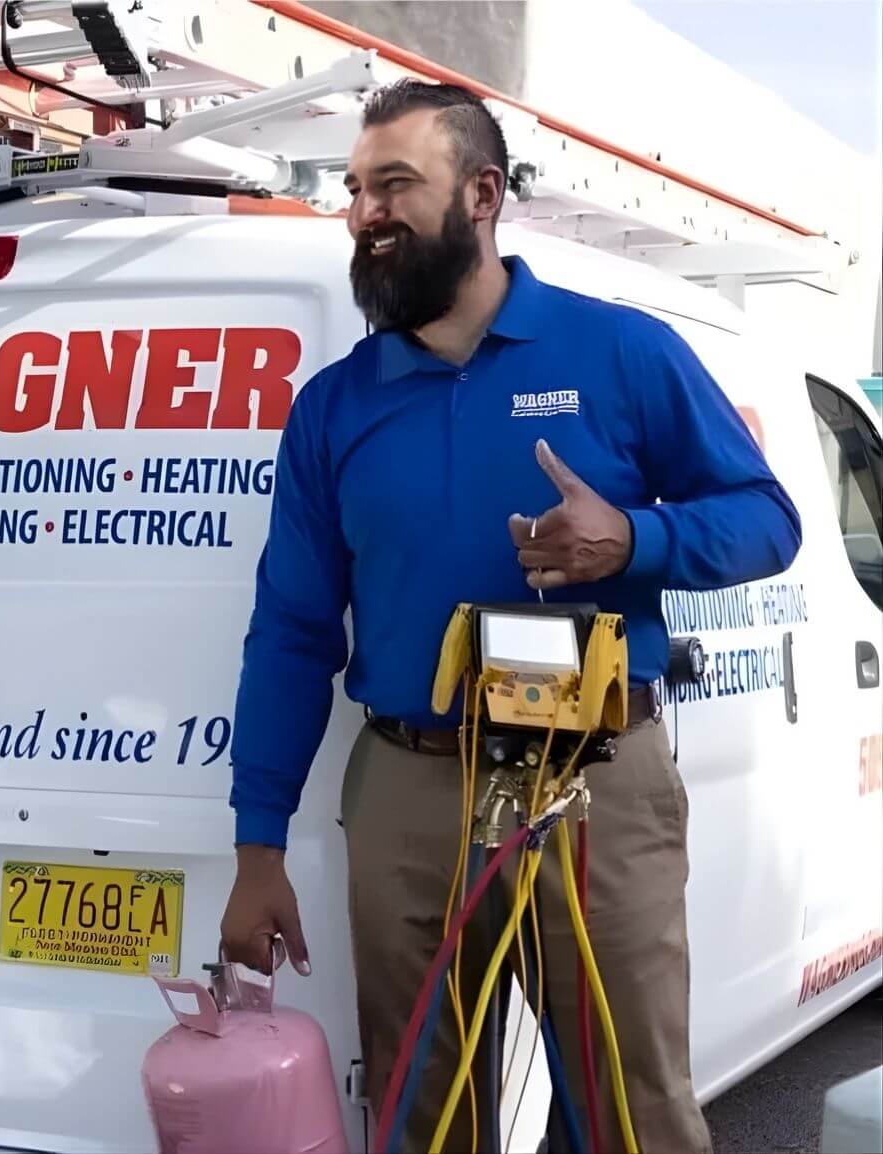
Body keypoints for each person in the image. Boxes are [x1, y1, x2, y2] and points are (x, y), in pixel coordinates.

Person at [218, 77, 801, 1154]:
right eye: (355, 189)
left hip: (592, 779)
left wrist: (635, 540)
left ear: (484, 194)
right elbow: (293, 631)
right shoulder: (337, 405)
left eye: (396, 184)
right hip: (408, 782)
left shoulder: (619, 353)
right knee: (420, 1106)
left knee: (630, 1106)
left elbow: (769, 520)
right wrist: (259, 844)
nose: (365, 213)